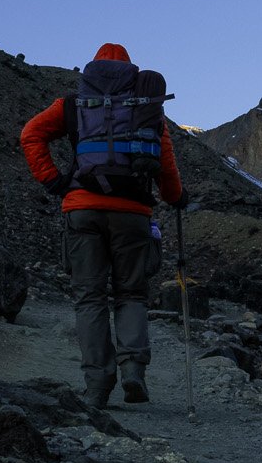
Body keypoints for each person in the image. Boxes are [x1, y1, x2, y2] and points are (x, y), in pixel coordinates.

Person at [20, 43, 184, 408]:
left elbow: (31, 135)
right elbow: (166, 164)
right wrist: (175, 198)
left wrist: (53, 180)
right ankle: (133, 372)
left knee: (90, 298)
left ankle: (97, 384)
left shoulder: (72, 104)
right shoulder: (146, 108)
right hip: (133, 213)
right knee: (131, 294)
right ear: (130, 71)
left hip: (82, 209)